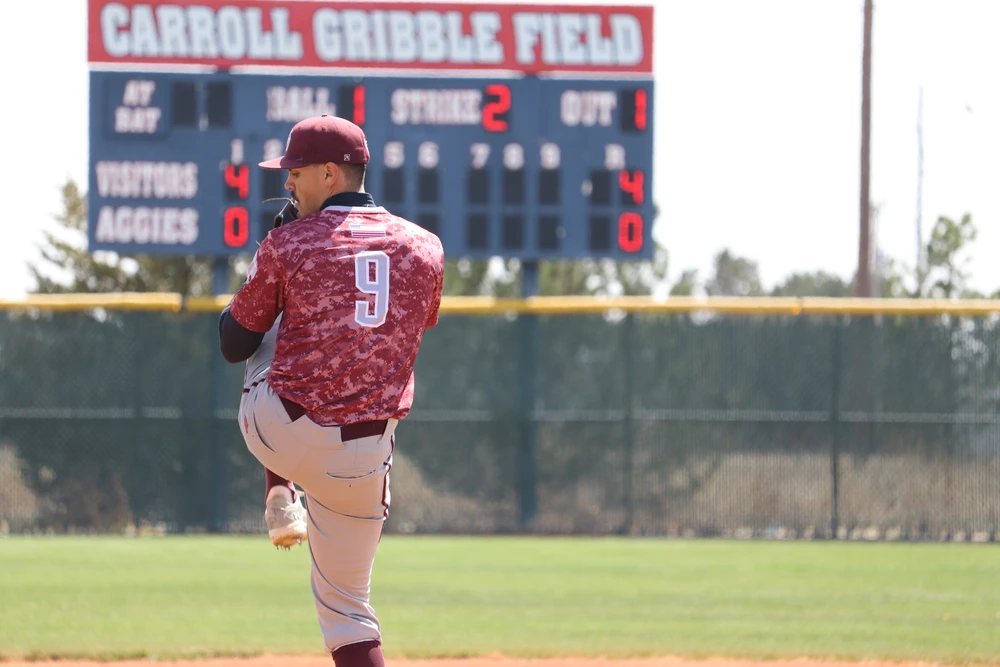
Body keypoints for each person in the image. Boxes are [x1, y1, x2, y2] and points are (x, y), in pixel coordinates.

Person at [218, 114, 444, 667]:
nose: (287, 182)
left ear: (328, 173)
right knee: (349, 615)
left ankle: (279, 490)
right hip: (367, 458)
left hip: (279, 430)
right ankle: (284, 490)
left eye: (295, 171)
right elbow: (411, 323)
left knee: (267, 326)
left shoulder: (288, 242)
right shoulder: (428, 248)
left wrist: (268, 252)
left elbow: (232, 341)